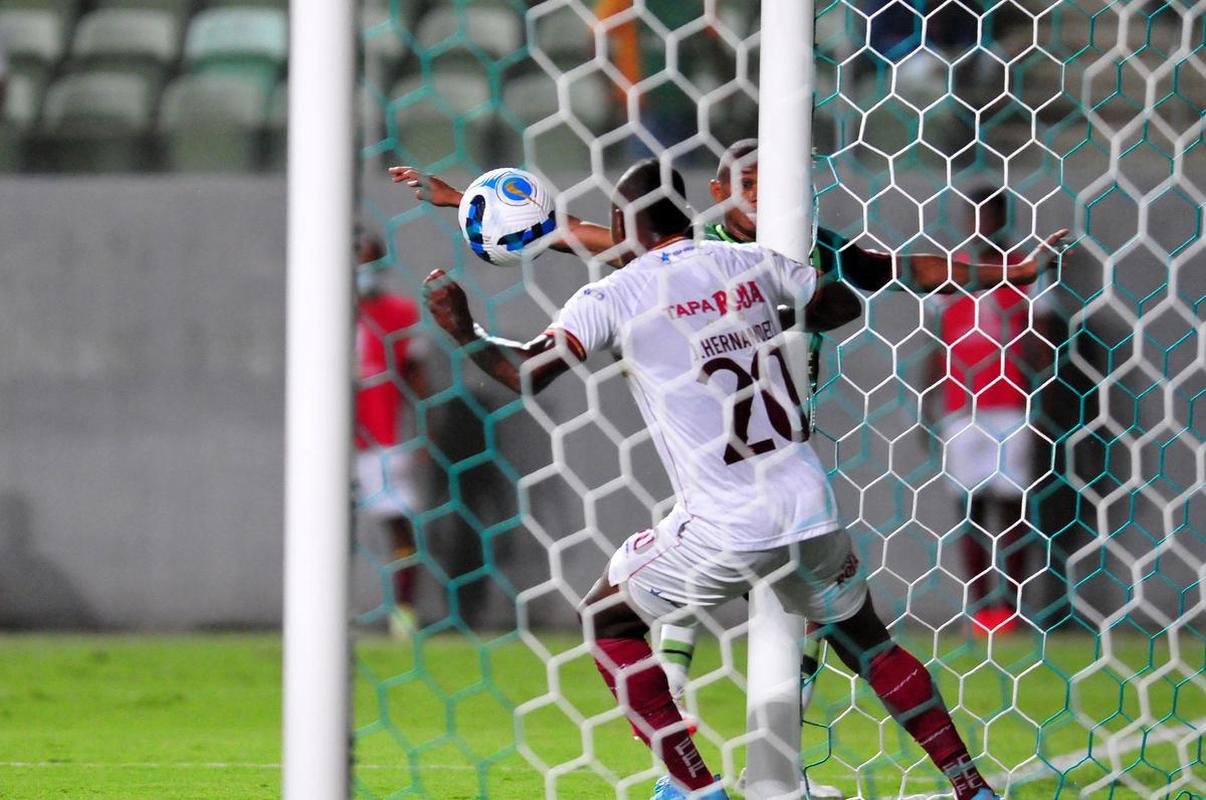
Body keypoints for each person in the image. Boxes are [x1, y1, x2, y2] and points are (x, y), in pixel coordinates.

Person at [422, 158, 1006, 800]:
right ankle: (971, 786)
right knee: (872, 647)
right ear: (686, 211)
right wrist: (748, 323)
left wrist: (463, 331)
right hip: (809, 506)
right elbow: (839, 304)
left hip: (727, 521)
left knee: (607, 622)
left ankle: (692, 788)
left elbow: (527, 374)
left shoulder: (611, 295)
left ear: (622, 226)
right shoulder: (753, 263)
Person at [927, 188, 1055, 635]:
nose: (982, 223)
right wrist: (930, 406)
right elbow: (935, 344)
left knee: (1013, 507)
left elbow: (1041, 340)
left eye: (992, 215)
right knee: (970, 508)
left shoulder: (1026, 270)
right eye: (976, 214)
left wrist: (1040, 405)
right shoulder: (949, 272)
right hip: (963, 410)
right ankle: (981, 608)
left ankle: (1012, 608)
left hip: (1010, 407)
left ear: (1004, 218)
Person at [355, 232, 428, 639]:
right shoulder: (323, 313)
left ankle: (404, 613)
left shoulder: (401, 314)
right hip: (328, 446)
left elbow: (417, 378)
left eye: (372, 261)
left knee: (399, 526)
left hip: (382, 441)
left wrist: (424, 431)